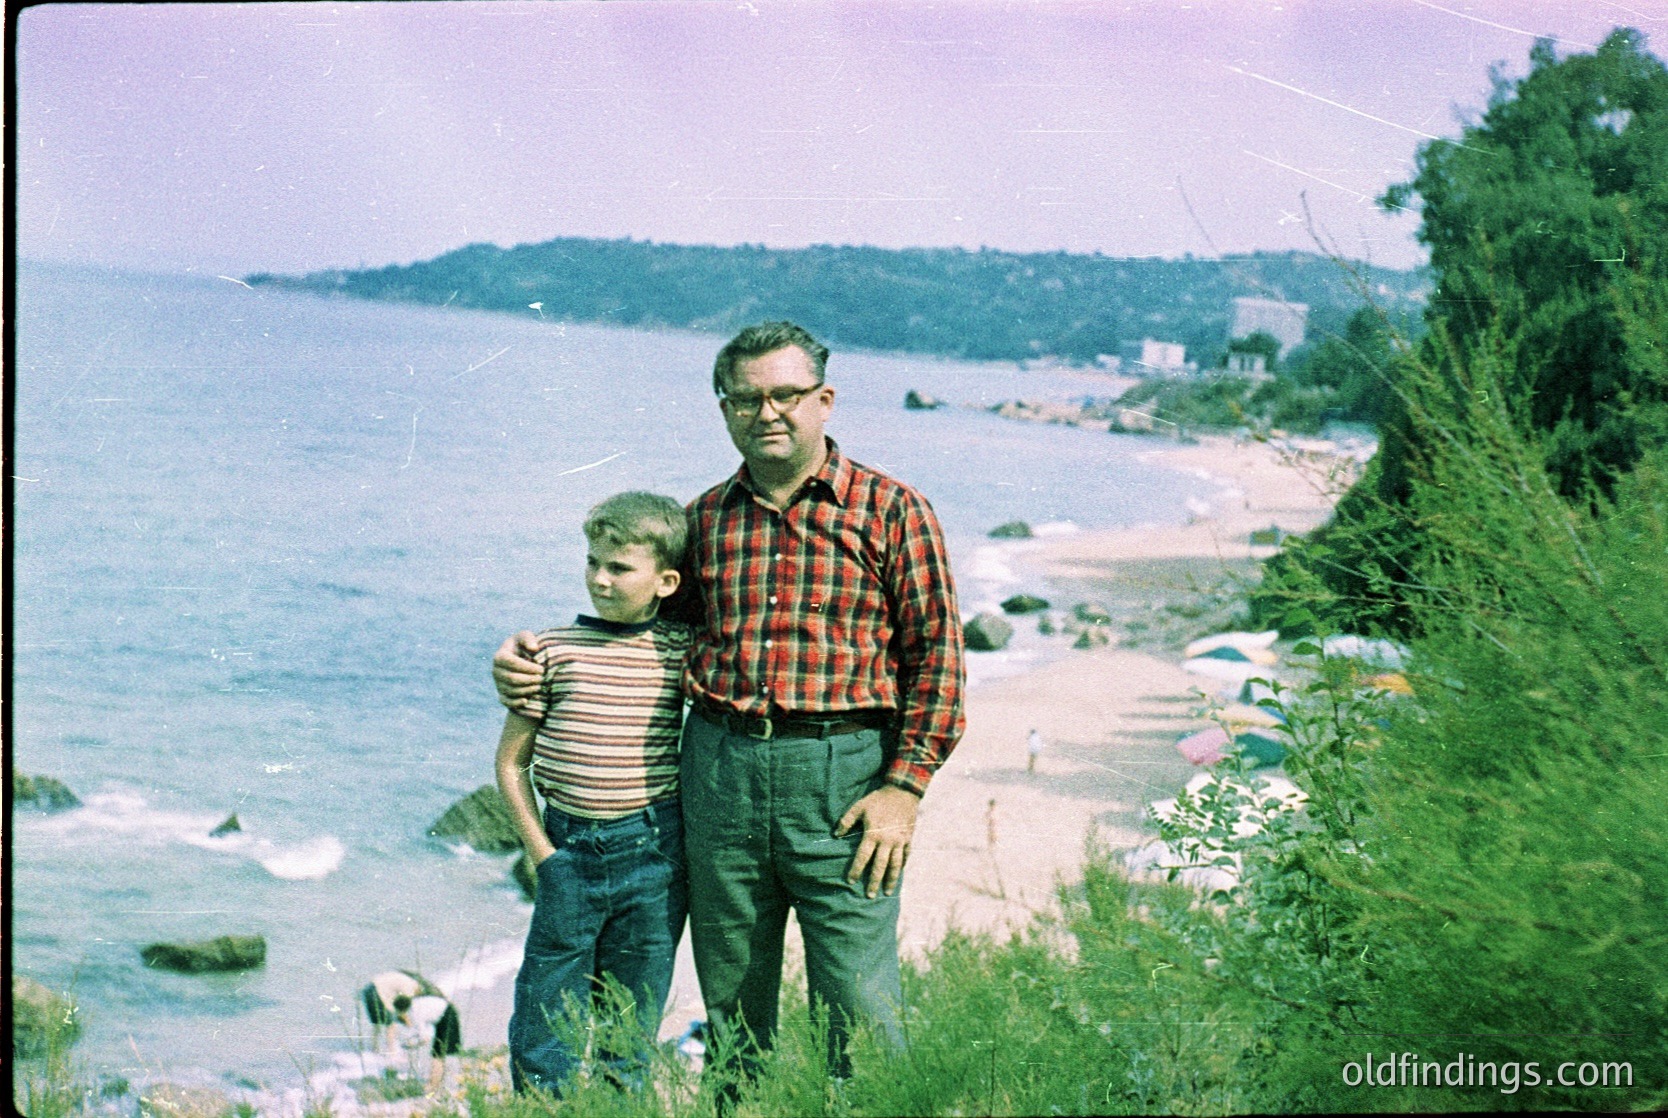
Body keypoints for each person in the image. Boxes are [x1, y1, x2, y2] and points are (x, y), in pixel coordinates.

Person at [494, 321, 966, 1085]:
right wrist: (525, 663)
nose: (767, 411)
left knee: (860, 1003)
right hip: (719, 776)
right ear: (724, 409)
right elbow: (642, 644)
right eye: (745, 398)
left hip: (844, 783)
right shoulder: (704, 520)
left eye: (786, 394)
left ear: (825, 400)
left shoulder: (892, 510)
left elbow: (938, 660)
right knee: (735, 1007)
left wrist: (903, 789)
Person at [495, 491, 693, 1096]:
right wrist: (542, 855)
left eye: (619, 568)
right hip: (569, 854)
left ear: (666, 581)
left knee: (628, 1035)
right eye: (592, 563)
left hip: (654, 855)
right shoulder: (548, 652)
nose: (600, 580)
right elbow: (509, 765)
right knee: (544, 1029)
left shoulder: (683, 652)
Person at [360, 969, 444, 1056]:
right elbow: (402, 1011)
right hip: (377, 993)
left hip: (368, 991)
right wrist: (411, 1026)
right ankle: (392, 1053)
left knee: (377, 1023)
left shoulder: (407, 980)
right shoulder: (410, 989)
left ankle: (374, 1049)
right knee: (391, 1025)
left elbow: (396, 1007)